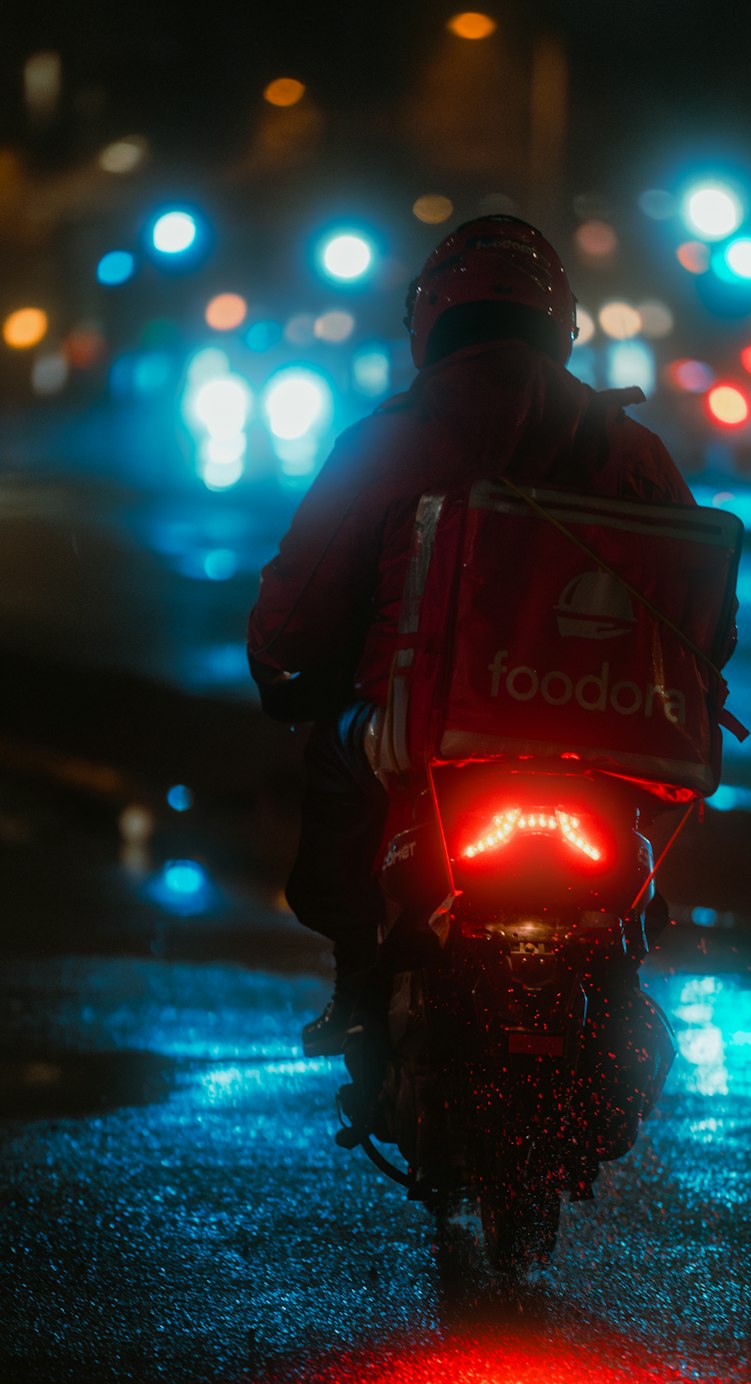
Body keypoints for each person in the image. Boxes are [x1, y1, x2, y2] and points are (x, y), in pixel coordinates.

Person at [247, 215, 694, 1056]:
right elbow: (702, 617)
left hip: (422, 733)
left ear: (430, 322)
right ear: (561, 326)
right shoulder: (633, 451)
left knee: (335, 765)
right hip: (602, 733)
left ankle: (355, 978)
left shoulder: (388, 441)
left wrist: (283, 672)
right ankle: (623, 987)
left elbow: (303, 595)